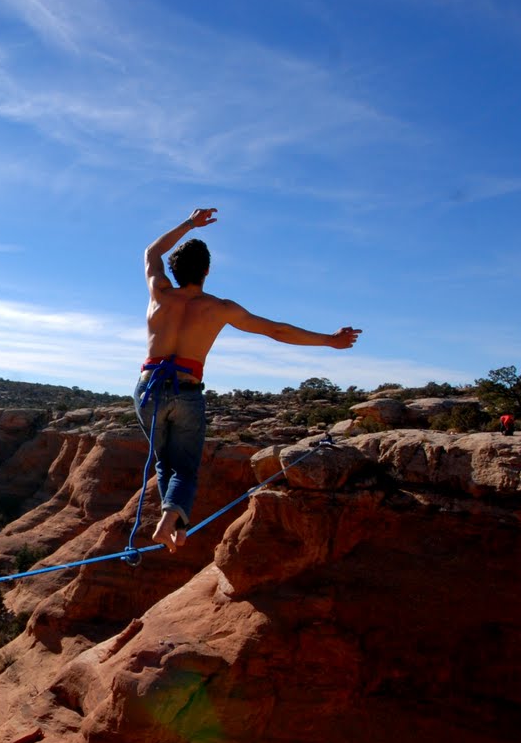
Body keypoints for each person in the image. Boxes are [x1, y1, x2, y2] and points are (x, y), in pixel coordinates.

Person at [137, 207, 361, 552]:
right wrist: (329, 340)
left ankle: (175, 524)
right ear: (207, 272)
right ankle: (172, 521)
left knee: (166, 461)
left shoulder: (160, 294)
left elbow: (152, 252)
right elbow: (276, 331)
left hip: (149, 389)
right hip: (186, 390)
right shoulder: (220, 307)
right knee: (184, 466)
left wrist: (190, 223)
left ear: (174, 270)